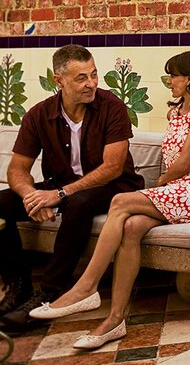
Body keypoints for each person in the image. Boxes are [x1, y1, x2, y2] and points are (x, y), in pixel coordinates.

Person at [29, 50, 190, 350]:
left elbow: (185, 163)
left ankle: (85, 287)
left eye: (172, 76)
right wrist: (162, 188)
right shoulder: (177, 111)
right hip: (181, 192)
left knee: (121, 202)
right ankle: (115, 321)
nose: (169, 82)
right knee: (132, 226)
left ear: (189, 78)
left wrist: (159, 185)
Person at [0, 45, 144, 334]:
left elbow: (113, 167)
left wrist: (60, 195)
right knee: (1, 202)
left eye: (93, 74)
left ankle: (51, 294)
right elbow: (16, 170)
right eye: (81, 78)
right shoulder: (39, 115)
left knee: (79, 202)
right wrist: (32, 197)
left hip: (114, 188)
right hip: (61, 188)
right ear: (59, 81)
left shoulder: (111, 106)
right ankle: (18, 285)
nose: (91, 83)